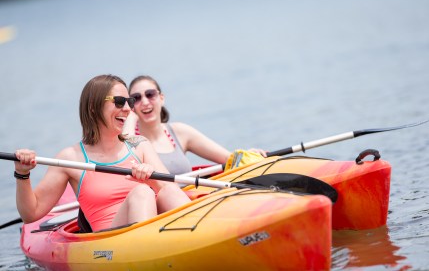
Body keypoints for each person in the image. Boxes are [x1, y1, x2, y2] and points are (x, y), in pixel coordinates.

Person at [13, 74, 190, 232]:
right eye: (120, 101)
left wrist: (151, 178)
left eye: (129, 102)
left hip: (148, 226)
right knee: (142, 192)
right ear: (93, 106)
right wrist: (22, 173)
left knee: (169, 191)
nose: (128, 109)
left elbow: (169, 191)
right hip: (111, 244)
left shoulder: (139, 145)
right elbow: (32, 213)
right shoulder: (71, 158)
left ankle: (198, 236)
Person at [123, 75, 267, 175]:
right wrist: (129, 118)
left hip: (192, 201)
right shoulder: (133, 140)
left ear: (161, 98)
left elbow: (229, 159)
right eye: (136, 98)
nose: (145, 102)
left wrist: (249, 155)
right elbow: (124, 157)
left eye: (150, 94)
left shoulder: (179, 132)